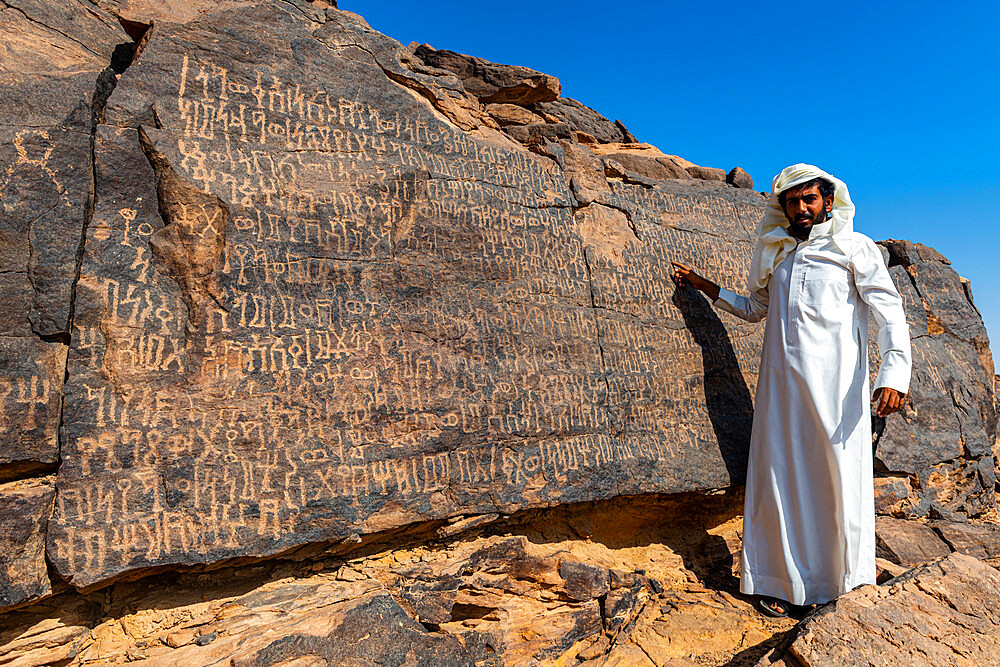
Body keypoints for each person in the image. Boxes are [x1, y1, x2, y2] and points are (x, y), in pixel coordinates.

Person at [671, 164, 911, 618]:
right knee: (779, 481)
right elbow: (755, 309)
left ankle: (844, 586)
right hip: (780, 395)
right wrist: (706, 287)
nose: (801, 208)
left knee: (836, 481)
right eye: (792, 201)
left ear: (827, 201)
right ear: (782, 207)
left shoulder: (853, 248)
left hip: (836, 393)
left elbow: (890, 312)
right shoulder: (778, 258)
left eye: (809, 199)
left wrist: (894, 375)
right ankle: (781, 585)